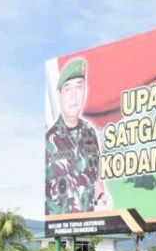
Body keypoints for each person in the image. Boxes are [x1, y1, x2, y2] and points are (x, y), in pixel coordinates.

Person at [45, 57, 110, 214]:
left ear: (85, 91)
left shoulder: (90, 133)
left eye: (79, 87)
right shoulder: (48, 140)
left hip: (90, 226)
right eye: (68, 89)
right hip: (60, 226)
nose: (74, 96)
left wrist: (101, 196)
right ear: (59, 95)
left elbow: (97, 181)